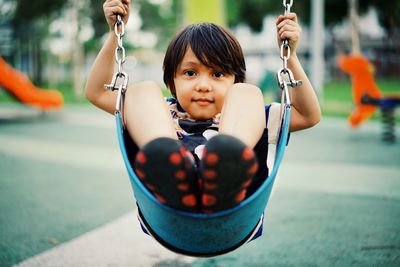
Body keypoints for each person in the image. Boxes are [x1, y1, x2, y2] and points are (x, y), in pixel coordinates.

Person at [86, 0, 321, 214]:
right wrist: (114, 34)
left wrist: (290, 57)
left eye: (218, 74)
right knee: (142, 90)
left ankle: (227, 168)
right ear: (171, 82)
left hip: (235, 205)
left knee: (248, 93)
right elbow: (97, 92)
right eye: (190, 73)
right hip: (166, 205)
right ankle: (166, 162)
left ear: (233, 80)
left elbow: (308, 115)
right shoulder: (159, 113)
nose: (203, 85)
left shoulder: (250, 115)